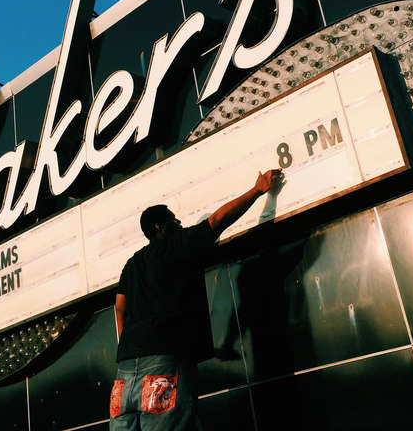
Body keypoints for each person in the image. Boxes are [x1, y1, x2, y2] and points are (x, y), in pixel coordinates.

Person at [110, 169, 283, 430]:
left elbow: (119, 308)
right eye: (174, 220)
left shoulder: (132, 264)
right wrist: (257, 190)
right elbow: (217, 220)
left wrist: (131, 346)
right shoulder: (178, 243)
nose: (179, 223)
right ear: (160, 227)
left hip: (124, 372)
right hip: (163, 362)